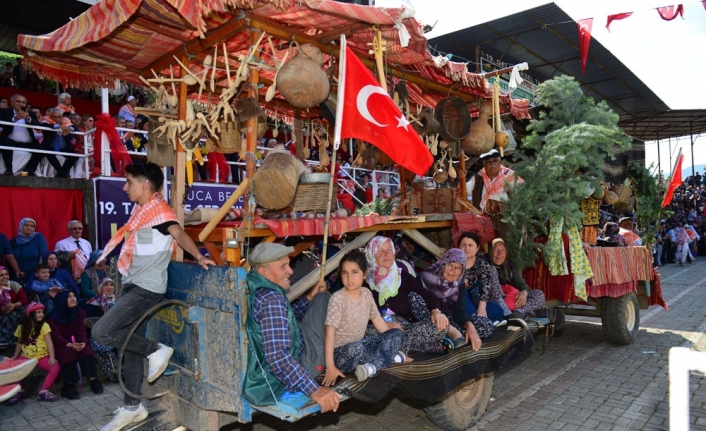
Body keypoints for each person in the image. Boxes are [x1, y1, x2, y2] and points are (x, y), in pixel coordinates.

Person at [91, 162, 215, 431]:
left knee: (102, 332)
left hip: (147, 289)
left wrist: (198, 256)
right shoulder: (141, 212)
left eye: (129, 182)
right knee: (129, 347)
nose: (125, 187)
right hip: (132, 285)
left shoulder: (160, 212)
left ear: (144, 183)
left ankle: (157, 350)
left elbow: (178, 233)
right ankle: (132, 407)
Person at [243, 242, 341, 412]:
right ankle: (336, 353)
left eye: (288, 264)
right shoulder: (272, 301)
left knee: (317, 300)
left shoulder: (253, 286)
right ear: (263, 271)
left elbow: (281, 320)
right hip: (307, 360)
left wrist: (309, 297)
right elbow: (278, 358)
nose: (290, 271)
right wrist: (315, 390)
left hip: (292, 346)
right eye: (283, 267)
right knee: (324, 299)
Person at [365, 236, 462, 354]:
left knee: (440, 327)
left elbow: (427, 295)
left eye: (389, 249)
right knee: (369, 334)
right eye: (381, 251)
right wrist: (385, 325)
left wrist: (436, 312)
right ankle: (426, 347)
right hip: (379, 326)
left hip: (406, 327)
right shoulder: (365, 281)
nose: (387, 254)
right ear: (372, 254)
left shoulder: (402, 276)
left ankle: (401, 347)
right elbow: (360, 315)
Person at [322, 250, 405, 385]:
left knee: (396, 333)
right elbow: (329, 334)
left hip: (363, 346)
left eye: (355, 272)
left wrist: (391, 342)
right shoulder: (337, 299)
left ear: (364, 274)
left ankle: (372, 366)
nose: (349, 278)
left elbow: (378, 320)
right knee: (357, 348)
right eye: (345, 273)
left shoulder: (366, 294)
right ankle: (387, 359)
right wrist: (330, 367)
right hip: (343, 353)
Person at [419, 249, 494, 351]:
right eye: (450, 265)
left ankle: (448, 337)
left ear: (462, 271)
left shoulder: (459, 283)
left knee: (485, 325)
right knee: (415, 299)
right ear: (443, 263)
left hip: (449, 320)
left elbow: (459, 310)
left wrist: (469, 325)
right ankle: (447, 335)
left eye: (458, 268)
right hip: (429, 321)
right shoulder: (425, 278)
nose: (452, 270)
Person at [47, 291, 103, 399]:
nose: (73, 299)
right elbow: (56, 336)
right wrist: (69, 344)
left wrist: (82, 342)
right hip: (61, 345)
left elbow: (82, 330)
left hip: (77, 342)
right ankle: (68, 386)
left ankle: (93, 380)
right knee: (68, 354)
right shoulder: (52, 317)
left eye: (74, 296)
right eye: (69, 297)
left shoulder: (79, 312)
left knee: (86, 350)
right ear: (62, 300)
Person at [7, 302, 60, 404]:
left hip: (41, 357)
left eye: (42, 312)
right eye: (38, 312)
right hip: (26, 357)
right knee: (12, 367)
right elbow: (19, 343)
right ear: (30, 314)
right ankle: (19, 391)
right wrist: (14, 356)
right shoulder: (21, 328)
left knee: (55, 367)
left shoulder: (44, 326)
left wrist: (52, 357)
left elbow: (49, 343)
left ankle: (44, 390)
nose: (41, 314)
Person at [458, 232, 511, 322]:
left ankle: (478, 320)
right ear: (459, 246)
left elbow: (486, 287)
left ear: (477, 248)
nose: (466, 248)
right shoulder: (454, 262)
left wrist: (482, 308)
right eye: (463, 245)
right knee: (462, 290)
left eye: (470, 245)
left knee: (496, 310)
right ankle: (476, 321)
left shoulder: (482, 265)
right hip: (461, 301)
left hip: (476, 300)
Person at [488, 238, 547, 318]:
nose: (499, 254)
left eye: (503, 250)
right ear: (490, 251)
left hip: (515, 301)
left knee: (539, 294)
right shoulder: (485, 264)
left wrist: (524, 292)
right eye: (496, 250)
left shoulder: (510, 265)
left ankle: (519, 312)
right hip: (496, 302)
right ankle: (511, 314)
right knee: (492, 272)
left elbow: (520, 282)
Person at [0, 94, 45, 176]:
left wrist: (28, 119)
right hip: (11, 141)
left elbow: (38, 125)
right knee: (5, 143)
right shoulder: (4, 112)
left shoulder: (30, 114)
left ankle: (28, 170)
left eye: (23, 103)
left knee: (41, 149)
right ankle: (9, 170)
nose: (21, 104)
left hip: (27, 143)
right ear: (12, 102)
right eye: (18, 101)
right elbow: (2, 124)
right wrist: (15, 119)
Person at [86, 278, 119, 382]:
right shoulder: (92, 303)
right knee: (102, 347)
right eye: (106, 285)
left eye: (111, 285)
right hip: (100, 334)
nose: (109, 287)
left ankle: (122, 372)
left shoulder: (119, 301)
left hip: (118, 331)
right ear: (100, 288)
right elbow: (91, 323)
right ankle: (114, 373)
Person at [0, 266, 29, 348]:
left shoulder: (13, 285)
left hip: (16, 308)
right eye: (1, 275)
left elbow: (25, 299)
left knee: (16, 314)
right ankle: (4, 340)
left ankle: (16, 340)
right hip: (2, 311)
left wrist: (14, 305)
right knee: (6, 315)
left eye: (6, 274)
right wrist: (4, 308)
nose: (5, 277)